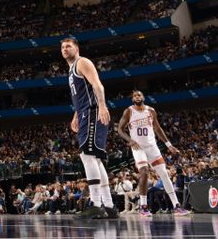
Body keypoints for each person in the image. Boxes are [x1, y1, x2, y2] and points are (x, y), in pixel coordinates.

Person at [62, 37, 118, 219]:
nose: (65, 49)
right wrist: (76, 114)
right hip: (85, 112)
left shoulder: (82, 62)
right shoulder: (71, 70)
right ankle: (109, 206)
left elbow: (97, 85)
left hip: (93, 111)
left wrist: (102, 106)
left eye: (68, 46)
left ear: (76, 48)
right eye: (62, 47)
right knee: (95, 159)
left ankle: (95, 204)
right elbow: (81, 96)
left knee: (87, 155)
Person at [117, 90, 190, 216]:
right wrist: (130, 140)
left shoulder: (151, 110)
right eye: (134, 95)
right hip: (138, 148)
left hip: (152, 147)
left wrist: (169, 145)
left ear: (143, 97)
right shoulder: (129, 111)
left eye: (139, 94)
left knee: (165, 175)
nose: (137, 97)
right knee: (144, 172)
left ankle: (176, 206)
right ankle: (143, 207)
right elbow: (120, 130)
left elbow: (157, 128)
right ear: (132, 99)